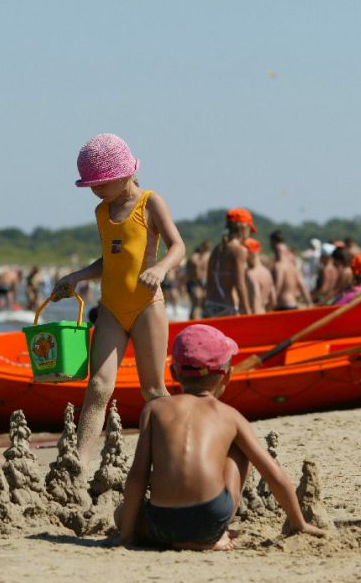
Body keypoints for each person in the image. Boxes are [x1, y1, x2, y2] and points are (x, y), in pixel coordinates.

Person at [114, 324, 328, 550]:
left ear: (173, 373)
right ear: (227, 376)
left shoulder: (154, 409)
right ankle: (210, 538)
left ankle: (179, 539)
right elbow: (272, 473)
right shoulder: (230, 417)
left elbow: (138, 474)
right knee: (239, 450)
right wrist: (299, 523)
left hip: (162, 523)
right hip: (209, 520)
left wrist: (126, 536)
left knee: (120, 514)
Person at [52, 133, 185, 461]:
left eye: (102, 183)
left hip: (146, 306)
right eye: (92, 185)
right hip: (111, 307)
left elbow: (178, 246)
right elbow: (109, 260)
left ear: (125, 175)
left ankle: (173, 455)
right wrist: (76, 276)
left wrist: (162, 269)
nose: (96, 190)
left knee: (153, 390)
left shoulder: (150, 202)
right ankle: (79, 463)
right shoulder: (101, 211)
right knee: (98, 387)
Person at [203, 208, 255, 317]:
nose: (250, 234)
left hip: (209, 305)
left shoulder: (217, 249)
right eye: (250, 229)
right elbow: (240, 284)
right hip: (226, 307)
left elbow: (208, 281)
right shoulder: (239, 250)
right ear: (243, 228)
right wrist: (247, 312)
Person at [270, 230, 312, 310]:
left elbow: (278, 286)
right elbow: (302, 285)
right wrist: (309, 302)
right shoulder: (292, 266)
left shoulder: (278, 266)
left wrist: (271, 304)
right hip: (293, 304)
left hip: (282, 305)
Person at [244, 238, 275, 313]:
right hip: (263, 313)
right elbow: (273, 300)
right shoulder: (266, 272)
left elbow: (256, 299)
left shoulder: (250, 274)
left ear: (249, 253)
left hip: (253, 316)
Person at [183, 240, 211, 320]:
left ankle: (194, 321)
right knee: (197, 304)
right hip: (196, 282)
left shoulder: (196, 257)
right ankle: (193, 322)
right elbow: (196, 272)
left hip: (196, 282)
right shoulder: (196, 257)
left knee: (197, 304)